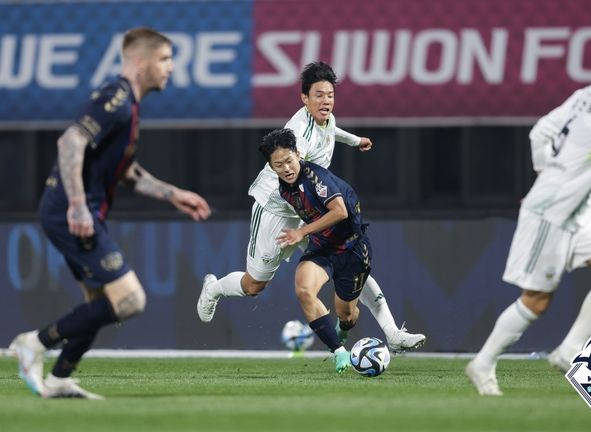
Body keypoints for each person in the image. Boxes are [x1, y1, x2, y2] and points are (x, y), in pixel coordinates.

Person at [9, 28, 211, 399]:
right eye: (165, 59)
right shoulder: (116, 97)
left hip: (79, 211)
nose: (171, 68)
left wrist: (173, 194)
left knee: (100, 305)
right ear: (140, 61)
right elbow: (71, 140)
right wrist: (77, 205)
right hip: (69, 212)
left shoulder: (128, 106)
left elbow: (127, 171)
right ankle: (33, 343)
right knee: (130, 299)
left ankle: (57, 379)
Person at [197, 61, 425, 352]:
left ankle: (392, 333)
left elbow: (330, 131)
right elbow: (295, 163)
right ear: (304, 98)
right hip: (277, 211)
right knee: (255, 285)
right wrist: (308, 220)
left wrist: (355, 141)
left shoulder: (324, 117)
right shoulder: (298, 133)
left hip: (307, 209)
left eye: (329, 94)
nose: (326, 100)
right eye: (318, 94)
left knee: (351, 259)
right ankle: (214, 288)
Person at [466, 37, 591, 396]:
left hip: (580, 210)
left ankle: (568, 352)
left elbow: (540, 132)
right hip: (552, 211)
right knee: (536, 300)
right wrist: (553, 182)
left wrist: (546, 171)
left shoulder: (585, 95)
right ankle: (483, 363)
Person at [260, 128, 371, 373]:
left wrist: (301, 232)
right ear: (271, 167)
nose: (286, 168)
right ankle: (338, 351)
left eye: (289, 161)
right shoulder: (283, 187)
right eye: (278, 165)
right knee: (303, 289)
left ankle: (342, 329)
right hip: (322, 246)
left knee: (347, 314)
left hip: (352, 247)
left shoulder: (315, 177)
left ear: (298, 154)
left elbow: (340, 212)